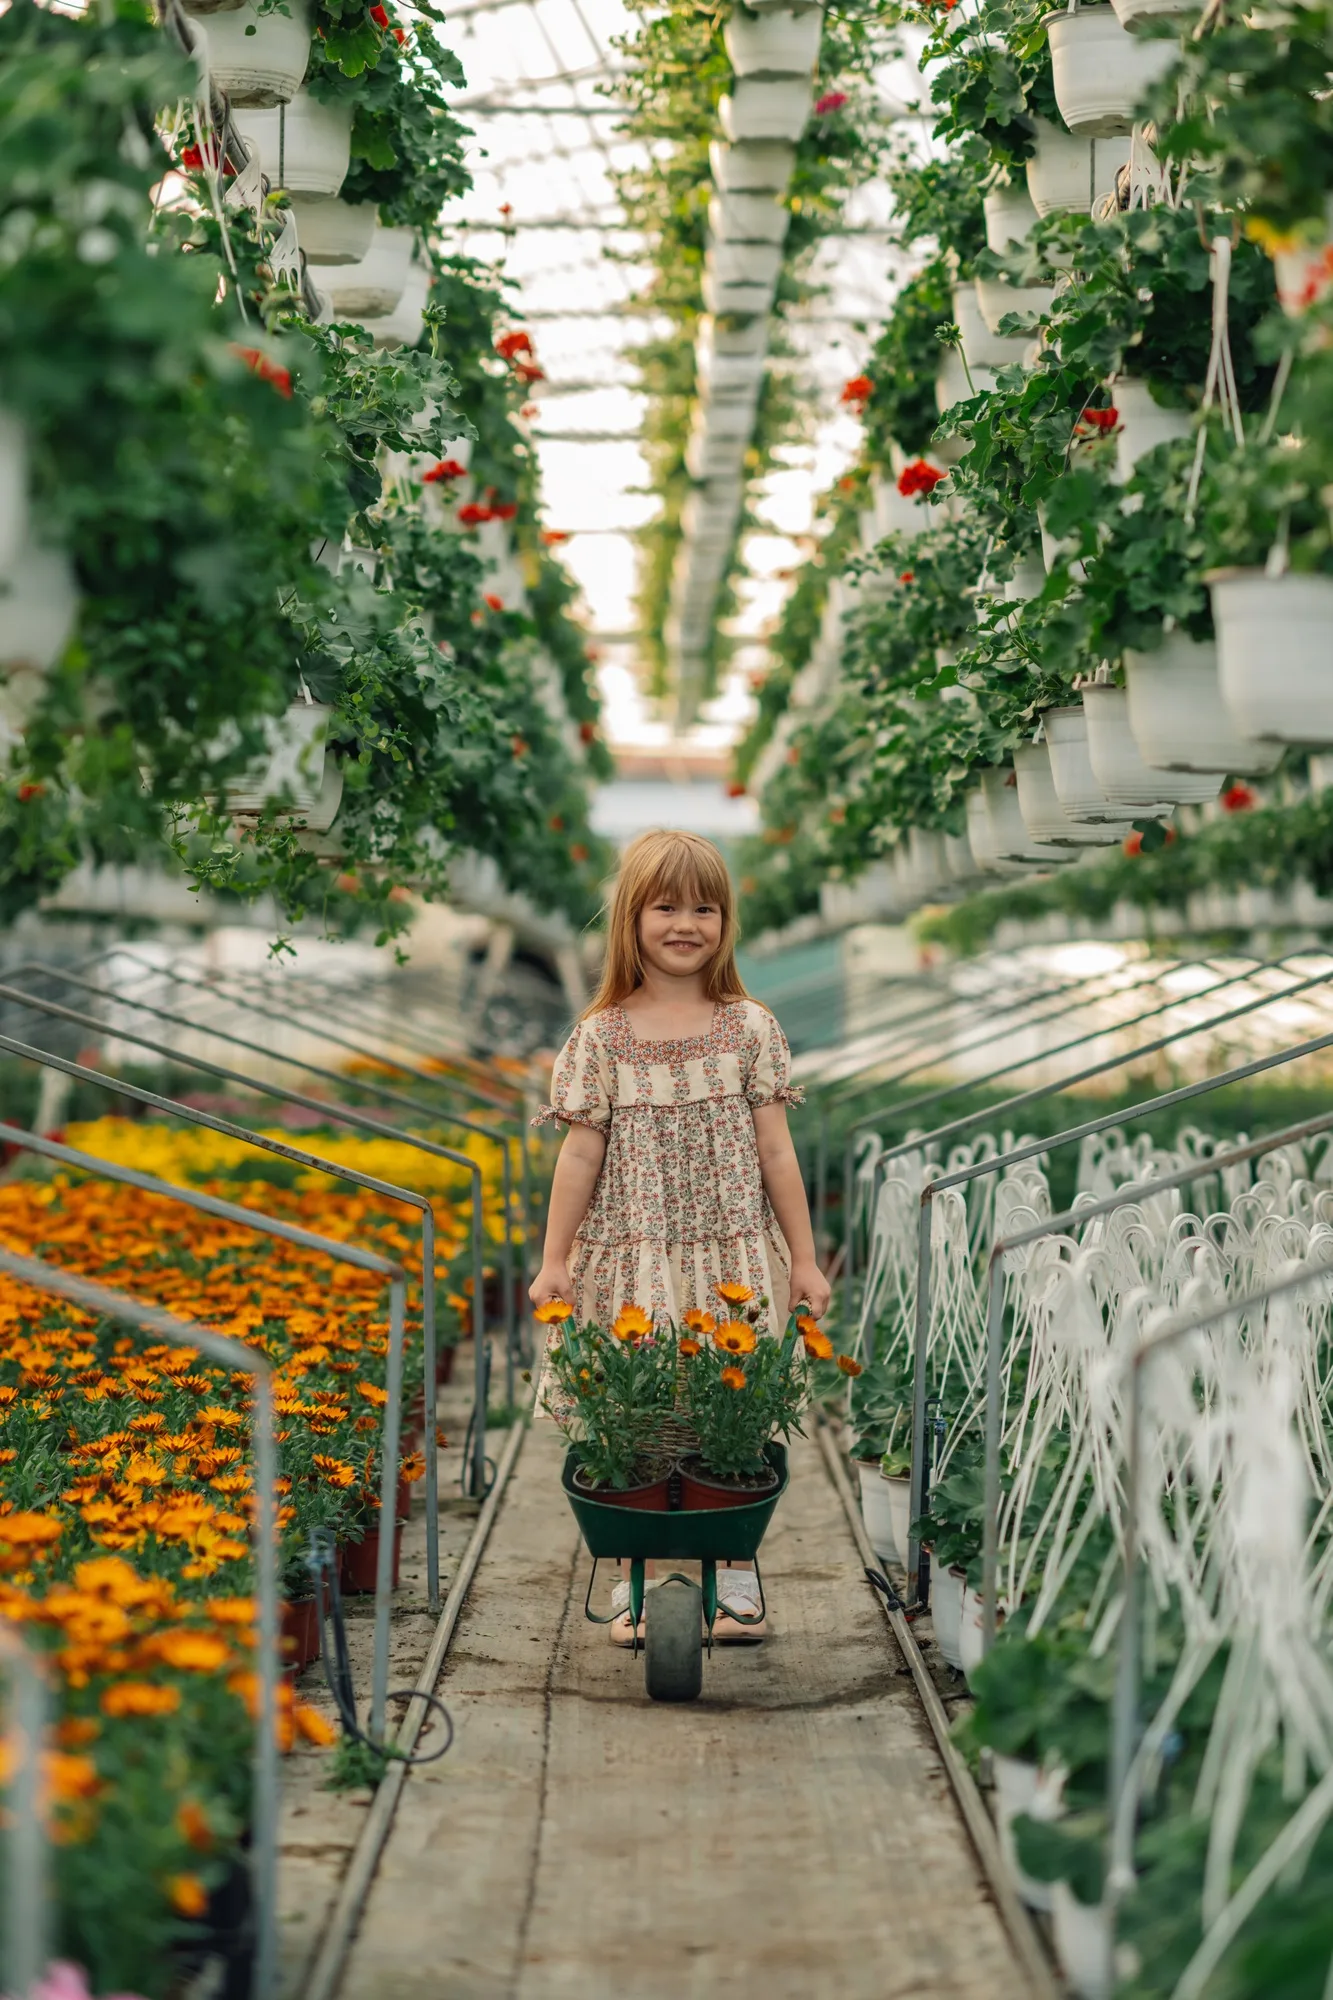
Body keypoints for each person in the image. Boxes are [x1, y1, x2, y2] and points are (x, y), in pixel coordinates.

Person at [529, 827, 831, 1643]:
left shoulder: (747, 1028)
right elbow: (579, 1152)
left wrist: (802, 1258)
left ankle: (733, 1571)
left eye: (705, 907)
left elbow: (775, 1149)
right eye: (665, 906)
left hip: (731, 1254)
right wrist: (555, 1260)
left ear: (726, 923)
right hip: (632, 1256)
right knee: (634, 1418)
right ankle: (630, 1577)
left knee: (732, 1419)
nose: (685, 923)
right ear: (630, 919)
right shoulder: (600, 1037)